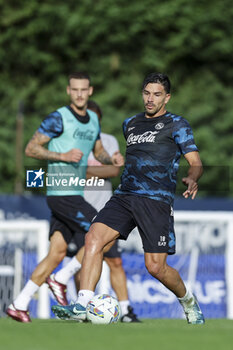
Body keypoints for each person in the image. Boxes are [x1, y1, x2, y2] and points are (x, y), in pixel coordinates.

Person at [52, 72, 205, 325]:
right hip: (124, 196)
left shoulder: (178, 124)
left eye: (156, 94)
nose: (150, 99)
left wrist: (192, 177)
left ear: (167, 97)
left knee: (156, 267)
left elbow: (195, 162)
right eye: (146, 93)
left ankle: (188, 300)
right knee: (93, 238)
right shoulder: (130, 124)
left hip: (155, 201)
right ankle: (82, 304)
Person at [6, 72, 124, 323]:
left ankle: (19, 303)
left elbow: (99, 150)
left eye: (84, 90)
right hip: (62, 192)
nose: (79, 94)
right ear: (68, 91)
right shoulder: (58, 117)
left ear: (90, 91)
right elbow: (31, 148)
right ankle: (60, 279)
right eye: (75, 90)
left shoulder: (93, 119)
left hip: (73, 193)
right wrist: (61, 156)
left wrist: (111, 159)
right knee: (106, 233)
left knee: (57, 252)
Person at [64, 100, 140, 322]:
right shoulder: (71, 141)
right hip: (78, 209)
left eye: (94, 117)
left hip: (106, 211)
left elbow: (115, 170)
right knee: (87, 258)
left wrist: (84, 171)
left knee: (115, 261)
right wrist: (97, 171)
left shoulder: (108, 140)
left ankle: (126, 311)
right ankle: (83, 308)